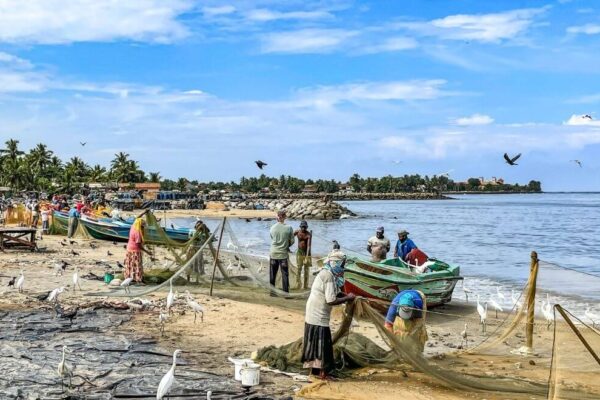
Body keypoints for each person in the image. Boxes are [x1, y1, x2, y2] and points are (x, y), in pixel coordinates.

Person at [302, 254, 355, 379]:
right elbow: (331, 300)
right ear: (336, 263)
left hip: (314, 312)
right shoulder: (328, 275)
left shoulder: (327, 273)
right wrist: (348, 298)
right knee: (322, 342)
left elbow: (335, 292)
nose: (343, 267)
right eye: (342, 264)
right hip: (318, 314)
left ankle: (315, 371)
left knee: (317, 341)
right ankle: (322, 372)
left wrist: (346, 295)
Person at [385, 289, 428, 354]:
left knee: (419, 330)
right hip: (402, 297)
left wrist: (410, 334)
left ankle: (418, 351)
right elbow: (387, 325)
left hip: (419, 296)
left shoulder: (418, 304)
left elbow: (419, 322)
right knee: (400, 327)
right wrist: (394, 339)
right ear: (399, 309)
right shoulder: (394, 306)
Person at [269, 210, 294, 295]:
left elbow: (272, 238)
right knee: (285, 274)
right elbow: (292, 241)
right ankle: (285, 294)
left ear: (277, 218)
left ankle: (272, 292)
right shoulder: (289, 228)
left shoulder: (272, 227)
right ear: (284, 217)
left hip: (273, 253)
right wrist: (286, 245)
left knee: (273, 274)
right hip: (283, 255)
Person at [123, 217, 152, 283]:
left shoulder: (133, 227)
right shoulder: (138, 233)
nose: (143, 228)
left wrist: (144, 212)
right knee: (137, 265)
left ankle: (129, 277)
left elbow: (137, 218)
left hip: (129, 249)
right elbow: (139, 245)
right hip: (135, 251)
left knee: (130, 265)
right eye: (143, 226)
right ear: (140, 225)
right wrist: (147, 252)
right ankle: (138, 279)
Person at [294, 220, 312, 290]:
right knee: (299, 268)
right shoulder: (297, 232)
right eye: (302, 227)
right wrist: (288, 245)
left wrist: (307, 257)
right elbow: (290, 237)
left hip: (306, 252)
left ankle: (305, 285)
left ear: (306, 227)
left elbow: (308, 246)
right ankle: (298, 284)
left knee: (306, 270)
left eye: (305, 227)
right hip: (299, 252)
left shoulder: (308, 234)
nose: (303, 228)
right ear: (300, 227)